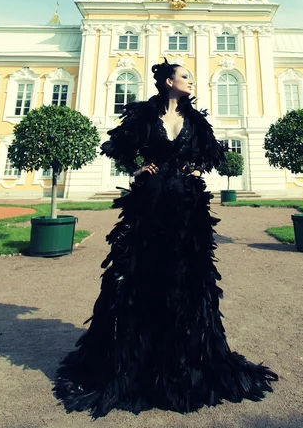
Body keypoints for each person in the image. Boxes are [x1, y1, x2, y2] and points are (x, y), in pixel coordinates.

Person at [54, 60, 277, 419]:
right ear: (169, 81)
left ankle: (183, 362)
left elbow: (212, 154)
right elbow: (118, 146)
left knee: (185, 278)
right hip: (150, 203)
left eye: (190, 77)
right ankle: (135, 361)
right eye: (185, 76)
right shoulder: (145, 115)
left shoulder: (196, 120)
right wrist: (137, 168)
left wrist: (196, 168)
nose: (191, 80)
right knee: (142, 276)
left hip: (186, 207)